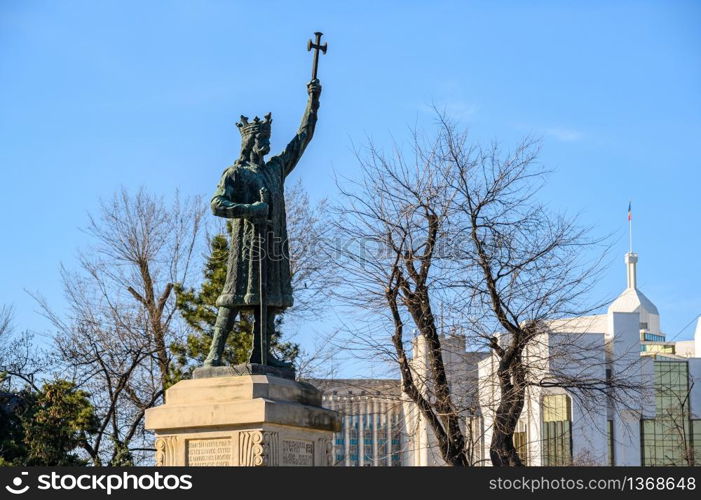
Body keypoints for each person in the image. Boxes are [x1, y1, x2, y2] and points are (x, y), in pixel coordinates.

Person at [203, 79, 322, 367]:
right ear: (249, 141)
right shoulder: (236, 173)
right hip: (246, 245)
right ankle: (214, 357)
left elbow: (302, 138)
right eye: (260, 138)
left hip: (274, 243)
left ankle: (262, 353)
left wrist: (313, 103)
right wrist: (250, 209)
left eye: (267, 137)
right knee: (234, 295)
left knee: (268, 298)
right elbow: (217, 204)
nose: (265, 143)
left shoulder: (275, 169)